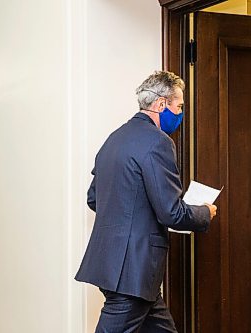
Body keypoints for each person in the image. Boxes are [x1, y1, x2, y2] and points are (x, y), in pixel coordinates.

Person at [75, 71, 217, 332]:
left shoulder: (113, 139)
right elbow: (171, 213)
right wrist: (204, 212)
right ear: (162, 104)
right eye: (179, 106)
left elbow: (94, 199)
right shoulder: (157, 142)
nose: (180, 113)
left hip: (115, 264)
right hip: (133, 268)